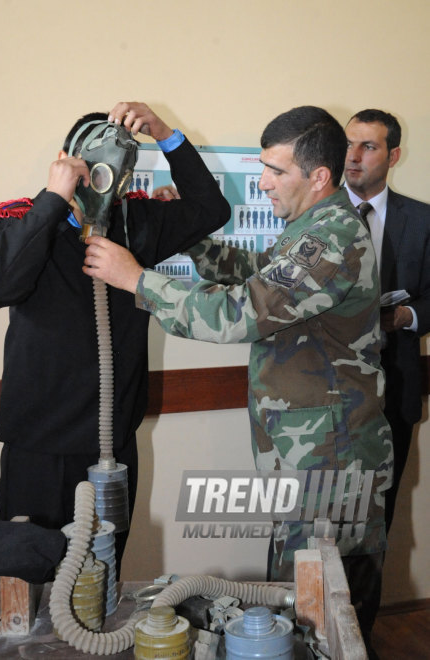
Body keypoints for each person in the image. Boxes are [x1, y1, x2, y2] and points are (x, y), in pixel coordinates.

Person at [82, 106, 392, 656]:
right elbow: (256, 275)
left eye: (275, 171)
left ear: (318, 176)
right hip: (305, 455)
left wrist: (137, 280)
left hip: (332, 459)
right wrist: (194, 240)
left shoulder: (333, 237)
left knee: (322, 607)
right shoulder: (309, 230)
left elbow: (242, 313)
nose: (264, 183)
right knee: (303, 589)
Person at [0, 101, 230, 574]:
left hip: (111, 446)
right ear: (67, 159)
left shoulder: (135, 224)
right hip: (40, 450)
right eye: (92, 162)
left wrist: (166, 133)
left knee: (101, 577)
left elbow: (212, 208)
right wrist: (53, 199)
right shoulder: (20, 222)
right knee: (28, 579)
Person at [344, 109, 430, 533]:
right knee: (317, 522)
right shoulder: (313, 216)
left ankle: (364, 603)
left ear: (393, 155)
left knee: (378, 522)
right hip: (327, 397)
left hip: (394, 391)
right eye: (348, 144)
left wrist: (404, 315)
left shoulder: (423, 219)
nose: (353, 156)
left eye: (369, 146)